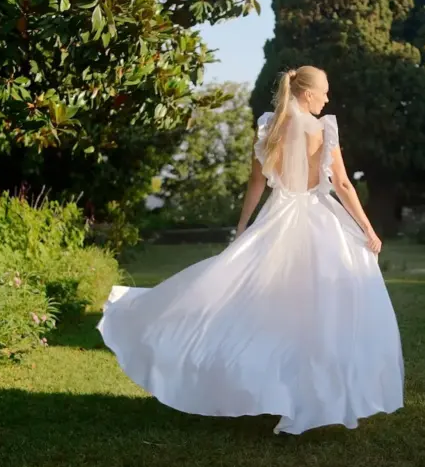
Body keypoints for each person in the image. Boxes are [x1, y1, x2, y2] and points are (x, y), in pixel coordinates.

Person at [98, 66, 404, 435]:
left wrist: (244, 228)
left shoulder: (269, 127)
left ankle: (278, 390)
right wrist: (367, 229)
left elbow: (256, 183)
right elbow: (341, 183)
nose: (327, 98)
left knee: (264, 306)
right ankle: (309, 396)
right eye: (324, 91)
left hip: (279, 216)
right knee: (323, 310)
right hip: (319, 219)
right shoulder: (323, 129)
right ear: (308, 95)